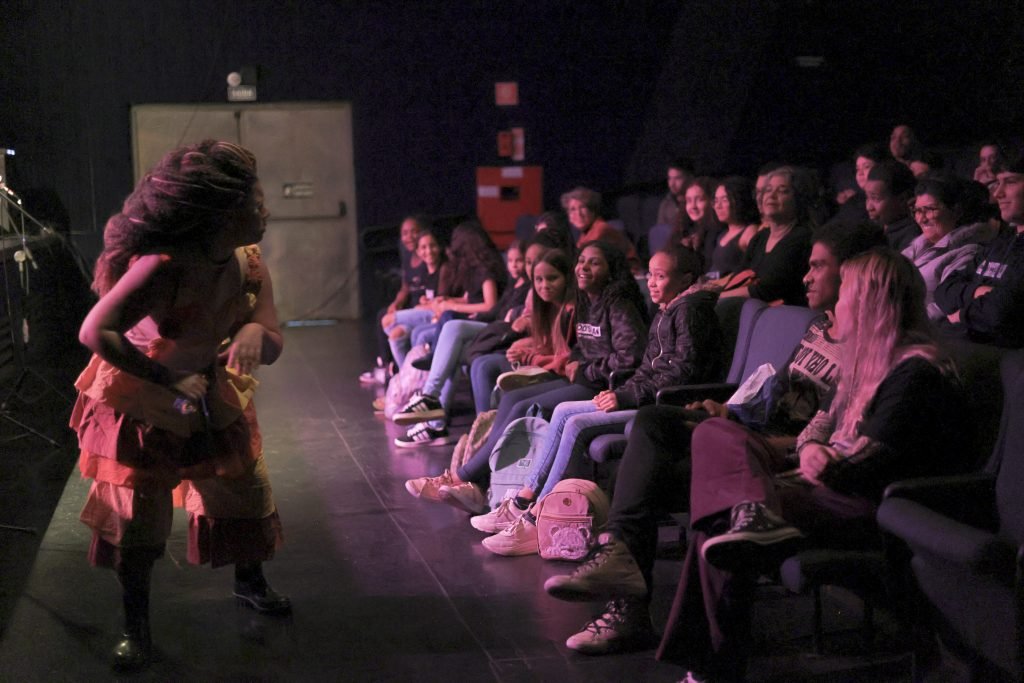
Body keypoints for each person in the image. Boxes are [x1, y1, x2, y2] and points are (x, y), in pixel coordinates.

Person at [541, 222, 886, 657]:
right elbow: (777, 389)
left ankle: (630, 604)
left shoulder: (868, 353)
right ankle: (621, 562)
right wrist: (730, 410)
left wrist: (749, 435)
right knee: (652, 422)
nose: (805, 276)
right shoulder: (818, 327)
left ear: (853, 275)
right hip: (752, 430)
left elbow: (821, 435)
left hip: (772, 453)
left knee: (651, 479)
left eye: (818, 266)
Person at [664, 249, 968, 681]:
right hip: (820, 481)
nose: (836, 303)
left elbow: (867, 465)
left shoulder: (916, 371)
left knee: (721, 516)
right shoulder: (865, 363)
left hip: (866, 502)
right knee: (714, 434)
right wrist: (807, 452)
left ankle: (711, 668)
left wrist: (812, 462)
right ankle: (754, 516)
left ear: (869, 303)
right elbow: (815, 431)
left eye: (845, 293)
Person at [71, 140, 289, 671]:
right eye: (253, 203)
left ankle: (250, 581)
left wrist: (258, 334)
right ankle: (135, 625)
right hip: (144, 399)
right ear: (217, 215)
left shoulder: (249, 262)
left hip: (206, 385)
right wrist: (166, 375)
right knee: (141, 522)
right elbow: (95, 329)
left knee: (243, 485)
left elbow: (274, 335)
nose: (264, 211)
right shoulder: (164, 266)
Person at [474, 244, 722, 556]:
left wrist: (625, 395)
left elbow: (681, 374)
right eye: (651, 275)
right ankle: (525, 500)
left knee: (576, 423)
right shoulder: (667, 310)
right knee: (564, 410)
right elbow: (648, 368)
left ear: (686, 279)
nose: (653, 283)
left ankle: (537, 519)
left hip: (665, 406)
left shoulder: (689, 312)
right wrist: (617, 393)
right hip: (643, 396)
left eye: (661, 276)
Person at [404, 241, 648, 514]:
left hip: (605, 387)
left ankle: (464, 477)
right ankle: (475, 482)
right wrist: (577, 361)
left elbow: (631, 357)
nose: (584, 267)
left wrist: (584, 368)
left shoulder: (619, 304)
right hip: (583, 378)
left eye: (594, 262)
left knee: (522, 408)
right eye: (581, 261)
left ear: (611, 269)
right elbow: (584, 347)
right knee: (511, 398)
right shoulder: (588, 301)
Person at [390, 239, 532, 445]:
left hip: (503, 335)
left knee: (453, 326)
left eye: (521, 261)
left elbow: (504, 317)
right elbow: (496, 312)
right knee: (451, 344)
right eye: (511, 260)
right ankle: (436, 425)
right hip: (493, 329)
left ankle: (430, 399)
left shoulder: (527, 286)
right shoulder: (514, 284)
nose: (515, 265)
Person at [935, 157, 1024, 347]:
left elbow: (1001, 311)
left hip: (998, 354)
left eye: (1010, 182)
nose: (998, 193)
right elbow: (943, 290)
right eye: (998, 183)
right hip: (960, 342)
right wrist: (976, 291)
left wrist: (960, 314)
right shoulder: (1001, 242)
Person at [717, 166, 816, 306]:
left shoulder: (802, 237)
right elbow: (738, 276)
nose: (771, 195)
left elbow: (766, 290)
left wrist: (717, 298)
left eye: (782, 191)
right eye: (768, 190)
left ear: (798, 198)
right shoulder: (761, 237)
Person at [902, 176, 993, 320]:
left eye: (929, 210)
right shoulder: (915, 247)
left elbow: (945, 305)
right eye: (918, 211)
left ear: (956, 210)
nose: (921, 219)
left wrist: (901, 320)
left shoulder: (969, 252)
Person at [360, 215, 426, 384]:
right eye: (405, 233)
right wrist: (396, 303)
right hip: (411, 307)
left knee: (390, 322)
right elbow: (406, 287)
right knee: (384, 313)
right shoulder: (407, 257)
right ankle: (386, 365)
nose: (409, 237)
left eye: (414, 232)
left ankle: (402, 372)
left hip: (424, 311)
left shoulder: (428, 255)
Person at [380, 229, 448, 366]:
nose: (428, 251)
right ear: (417, 252)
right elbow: (429, 296)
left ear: (439, 247)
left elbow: (442, 303)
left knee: (387, 320)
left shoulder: (444, 270)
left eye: (432, 245)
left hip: (438, 316)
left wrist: (424, 305)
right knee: (395, 335)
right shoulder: (425, 271)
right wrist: (424, 301)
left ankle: (409, 376)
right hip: (427, 313)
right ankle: (409, 376)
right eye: (423, 247)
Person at [562, 187, 641, 273]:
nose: (578, 214)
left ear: (592, 210)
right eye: (572, 209)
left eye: (582, 207)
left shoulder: (601, 229)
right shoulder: (585, 233)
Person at [707, 176, 759, 279]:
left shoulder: (749, 231)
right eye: (716, 201)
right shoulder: (721, 235)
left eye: (724, 200)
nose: (718, 206)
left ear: (739, 201)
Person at [864, 159, 920, 251]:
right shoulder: (877, 229)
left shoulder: (912, 240)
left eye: (875, 199)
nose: (868, 207)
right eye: (867, 197)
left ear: (902, 199)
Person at [657, 158, 696, 228]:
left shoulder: (698, 201)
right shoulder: (666, 203)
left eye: (677, 178)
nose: (672, 184)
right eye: (670, 178)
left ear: (690, 178)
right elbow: (660, 230)